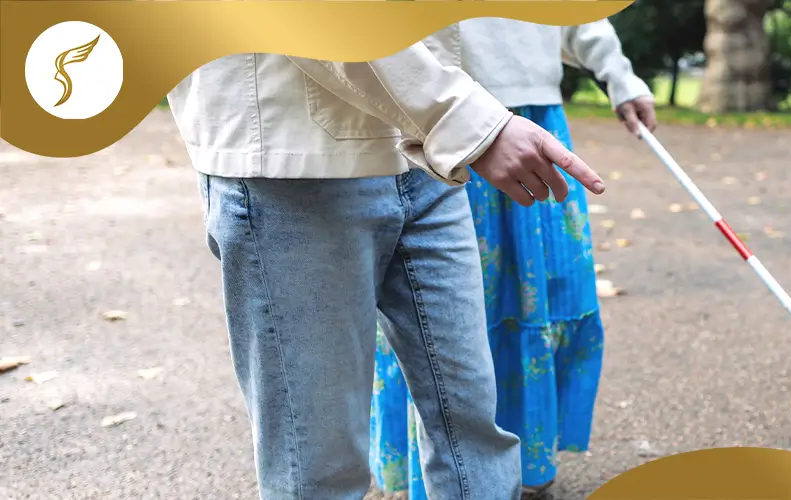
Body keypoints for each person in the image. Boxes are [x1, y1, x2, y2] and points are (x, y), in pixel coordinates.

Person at [164, 28, 608, 500]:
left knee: (473, 432)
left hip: (423, 155)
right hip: (292, 162)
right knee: (318, 465)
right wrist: (465, 119)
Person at [369, 18, 656, 499]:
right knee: (441, 313)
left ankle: (525, 459)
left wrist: (618, 72)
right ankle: (437, 471)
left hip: (534, 115)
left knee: (542, 292)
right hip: (439, 114)